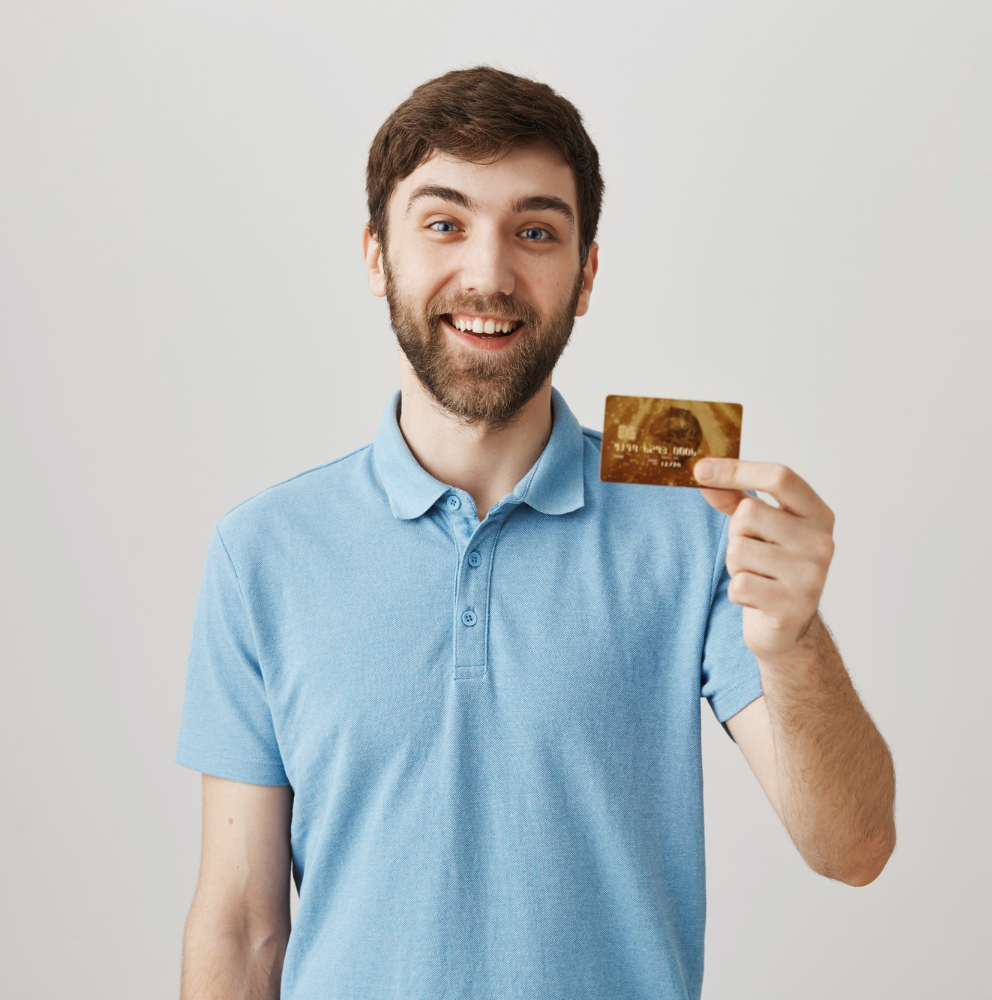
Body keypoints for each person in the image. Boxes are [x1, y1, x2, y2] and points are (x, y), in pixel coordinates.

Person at [174, 64, 896, 1000]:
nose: (488, 274)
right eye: (443, 223)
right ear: (375, 257)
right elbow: (240, 928)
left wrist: (793, 642)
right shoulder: (261, 553)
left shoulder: (693, 527)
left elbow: (855, 848)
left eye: (535, 231)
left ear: (586, 273)